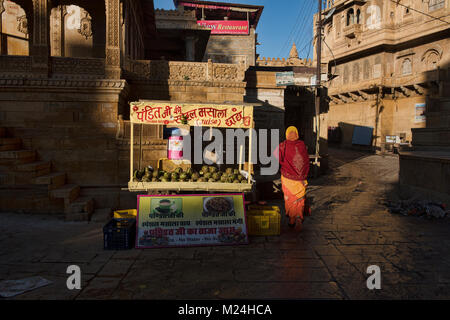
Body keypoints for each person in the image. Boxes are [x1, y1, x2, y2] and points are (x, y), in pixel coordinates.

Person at [274, 126, 310, 231]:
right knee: (300, 199)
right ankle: (299, 217)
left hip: (287, 177)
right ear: (297, 134)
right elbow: (306, 161)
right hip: (300, 179)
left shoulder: (283, 145)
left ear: (287, 134)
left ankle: (292, 220)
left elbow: (276, 156)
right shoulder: (302, 145)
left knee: (290, 198)